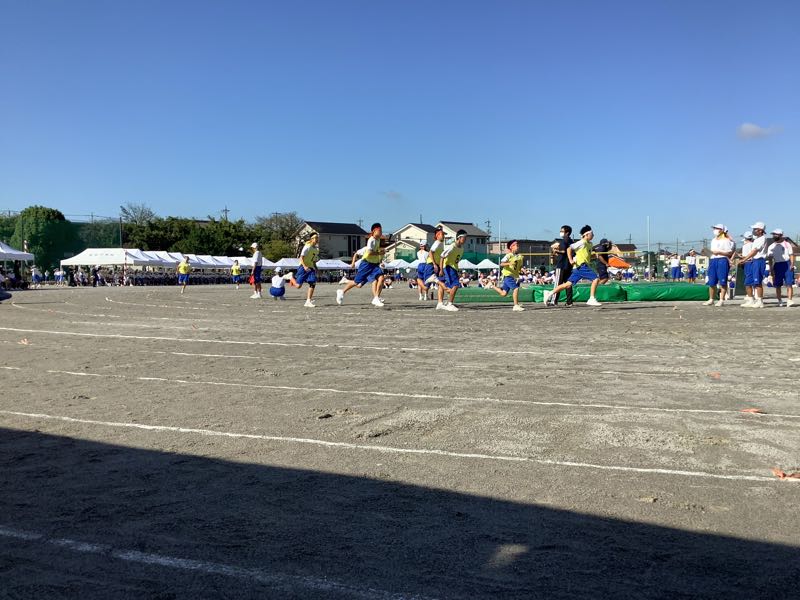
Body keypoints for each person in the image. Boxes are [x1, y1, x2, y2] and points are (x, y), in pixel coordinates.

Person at [543, 225, 602, 307]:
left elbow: (586, 256)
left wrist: (594, 256)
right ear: (586, 235)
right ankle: (591, 298)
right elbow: (569, 249)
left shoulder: (590, 244)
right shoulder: (581, 242)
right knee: (596, 279)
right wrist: (570, 259)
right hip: (581, 266)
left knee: (567, 284)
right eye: (592, 234)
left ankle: (549, 293)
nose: (593, 235)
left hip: (578, 268)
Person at [337, 223, 385, 307]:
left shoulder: (378, 240)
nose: (381, 232)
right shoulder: (371, 240)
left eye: (381, 230)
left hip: (374, 265)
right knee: (357, 283)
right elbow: (370, 253)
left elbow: (376, 253)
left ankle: (376, 298)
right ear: (374, 231)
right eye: (379, 230)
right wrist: (379, 253)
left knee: (381, 278)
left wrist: (380, 259)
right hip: (366, 264)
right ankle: (342, 291)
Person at [487, 239, 525, 311]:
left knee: (503, 293)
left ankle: (491, 285)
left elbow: (519, 267)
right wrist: (509, 263)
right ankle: (516, 305)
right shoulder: (509, 255)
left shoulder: (520, 256)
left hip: (514, 276)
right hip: (508, 275)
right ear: (511, 247)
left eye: (518, 245)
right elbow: (501, 263)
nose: (518, 246)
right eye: (516, 245)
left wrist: (522, 269)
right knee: (516, 288)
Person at [436, 229, 468, 311]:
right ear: (459, 237)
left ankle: (440, 303)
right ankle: (450, 304)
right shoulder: (452, 246)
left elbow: (456, 260)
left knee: (442, 284)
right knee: (456, 285)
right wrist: (441, 269)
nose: (465, 239)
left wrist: (457, 270)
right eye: (464, 237)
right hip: (448, 267)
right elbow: (442, 256)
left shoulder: (462, 248)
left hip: (453, 268)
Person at [738, 221, 768, 308]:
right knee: (748, 282)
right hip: (754, 261)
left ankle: (760, 301)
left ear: (760, 230)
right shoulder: (756, 239)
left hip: (759, 261)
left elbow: (754, 251)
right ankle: (751, 300)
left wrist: (744, 259)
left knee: (757, 282)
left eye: (755, 229)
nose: (753, 230)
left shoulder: (762, 239)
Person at [704, 224, 734, 306]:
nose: (714, 230)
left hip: (722, 260)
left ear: (721, 230)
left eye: (716, 228)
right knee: (711, 282)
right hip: (713, 260)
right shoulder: (713, 240)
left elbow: (729, 253)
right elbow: (712, 251)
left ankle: (721, 300)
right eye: (714, 228)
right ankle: (711, 299)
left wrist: (719, 252)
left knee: (722, 281)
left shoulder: (726, 240)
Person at [290, 233, 320, 308]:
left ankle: (308, 301)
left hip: (311, 268)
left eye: (317, 237)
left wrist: (317, 269)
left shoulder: (316, 250)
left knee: (313, 283)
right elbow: (301, 258)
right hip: (303, 267)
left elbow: (313, 261)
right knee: (298, 286)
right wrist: (305, 266)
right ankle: (290, 277)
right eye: (315, 237)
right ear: (311, 239)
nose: (317, 239)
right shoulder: (307, 246)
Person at [767, 229, 794, 307]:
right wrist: (771, 269)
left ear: (781, 235)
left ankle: (789, 300)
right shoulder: (771, 246)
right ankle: (780, 300)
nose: (774, 236)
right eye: (773, 234)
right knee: (778, 285)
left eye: (776, 234)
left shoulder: (787, 244)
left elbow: (791, 254)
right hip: (777, 265)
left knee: (789, 283)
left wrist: (792, 264)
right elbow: (770, 259)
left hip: (787, 264)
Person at [549, 225, 574, 307]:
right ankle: (569, 302)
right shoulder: (571, 241)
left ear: (567, 232)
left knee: (558, 284)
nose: (560, 232)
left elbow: (563, 251)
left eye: (562, 231)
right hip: (568, 266)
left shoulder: (564, 240)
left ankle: (554, 301)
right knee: (568, 284)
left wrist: (555, 250)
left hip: (562, 265)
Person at [739, 232, 755, 306]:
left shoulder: (746, 246)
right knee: (752, 282)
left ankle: (751, 300)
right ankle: (752, 298)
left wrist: (740, 257)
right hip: (751, 263)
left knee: (747, 283)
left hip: (748, 263)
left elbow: (746, 256)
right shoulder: (753, 244)